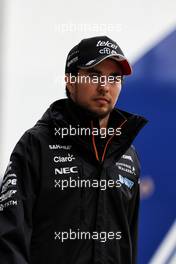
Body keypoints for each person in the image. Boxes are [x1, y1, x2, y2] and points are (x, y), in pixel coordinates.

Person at [0, 36, 148, 264]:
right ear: (70, 81)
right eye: (94, 75)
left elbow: (129, 245)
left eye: (114, 78)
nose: (104, 86)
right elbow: (8, 238)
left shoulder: (128, 155)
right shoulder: (36, 145)